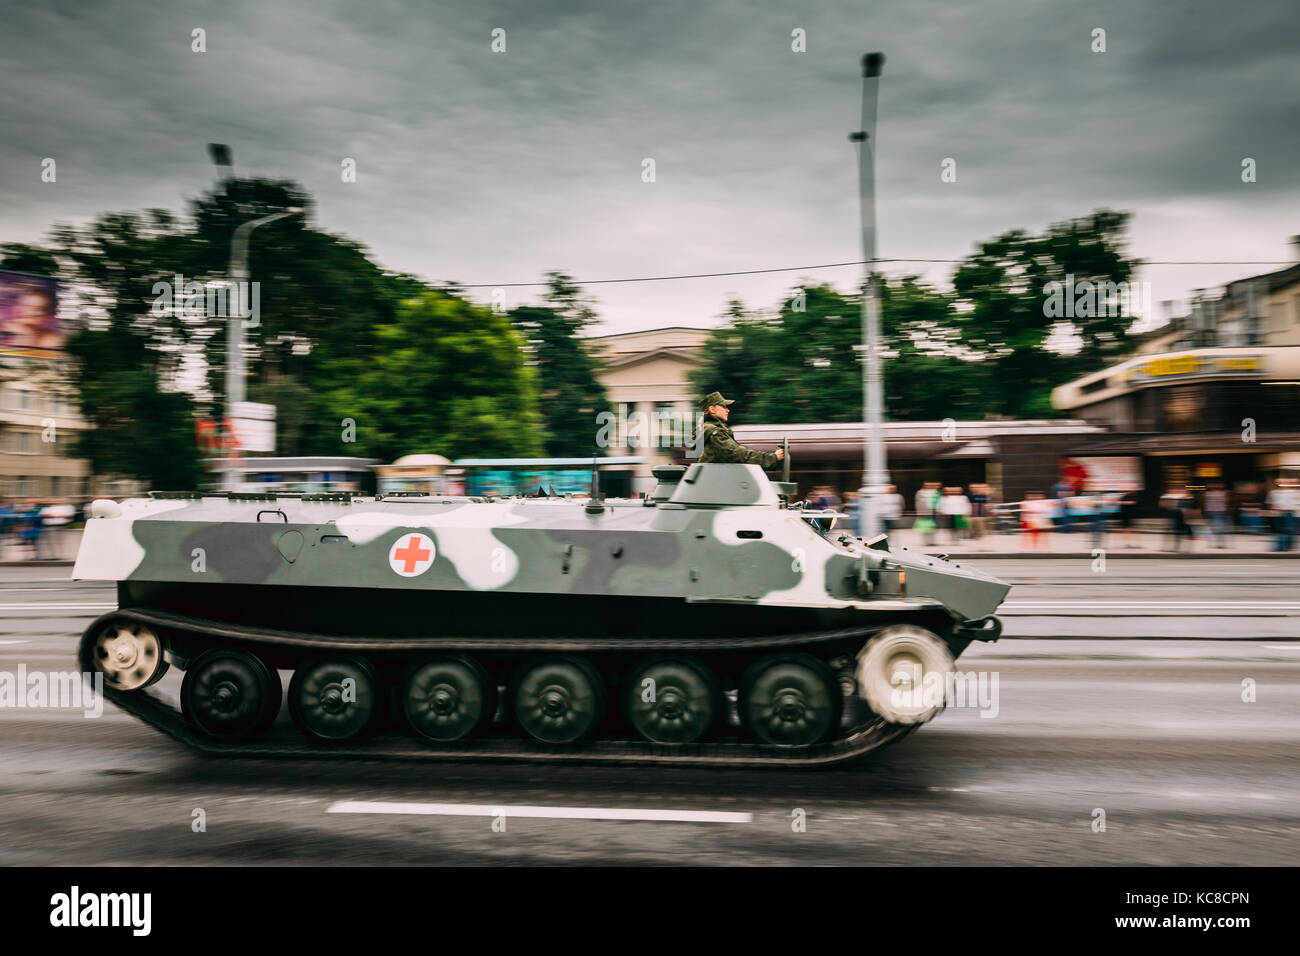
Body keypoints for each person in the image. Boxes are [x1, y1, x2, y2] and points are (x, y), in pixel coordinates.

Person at [696, 391, 784, 467]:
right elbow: (738, 455)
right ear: (712, 409)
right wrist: (772, 458)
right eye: (724, 406)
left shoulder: (709, 428)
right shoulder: (714, 432)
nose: (728, 410)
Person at [913, 482, 939, 547]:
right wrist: (919, 513)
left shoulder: (935, 492)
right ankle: (926, 541)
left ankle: (932, 541)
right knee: (924, 527)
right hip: (923, 513)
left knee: (932, 528)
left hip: (932, 513)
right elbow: (917, 503)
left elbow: (937, 502)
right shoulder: (920, 492)